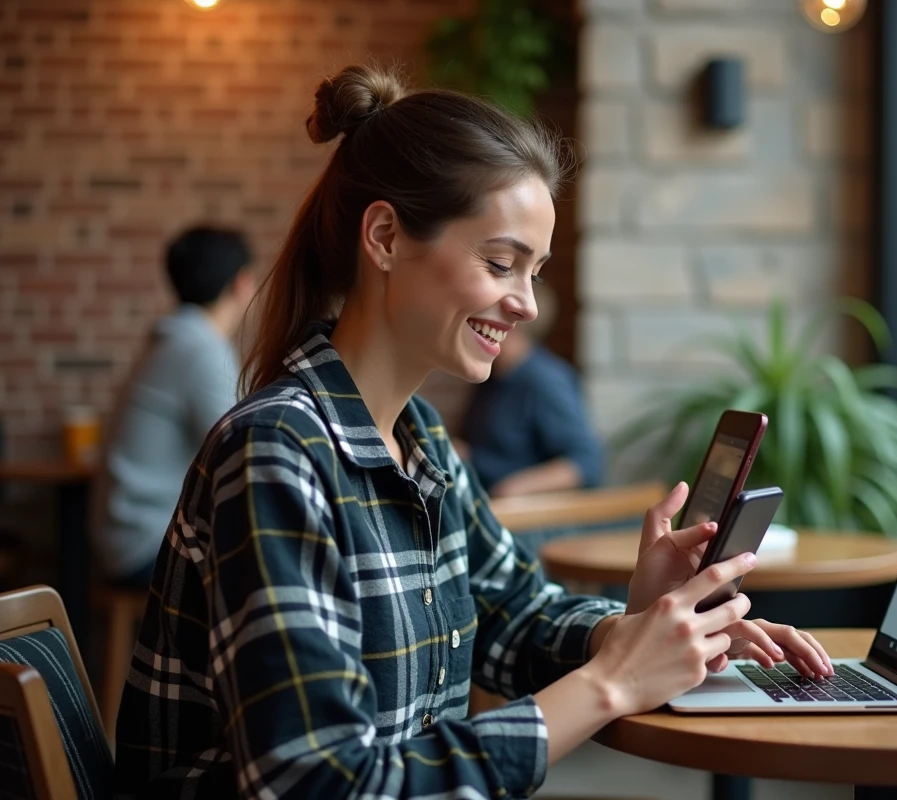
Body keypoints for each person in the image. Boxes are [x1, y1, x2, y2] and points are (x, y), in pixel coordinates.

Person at [111, 65, 833, 799]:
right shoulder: (277, 453)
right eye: (500, 264)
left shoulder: (418, 438)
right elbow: (316, 783)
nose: (524, 304)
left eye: (535, 273)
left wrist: (632, 630)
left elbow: (510, 609)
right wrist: (610, 685)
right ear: (386, 237)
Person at [90, 226, 255, 589]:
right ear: (242, 283)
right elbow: (240, 455)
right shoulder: (201, 350)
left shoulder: (172, 338)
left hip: (124, 532)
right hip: (146, 542)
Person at [458, 280, 603, 497]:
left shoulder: (545, 380)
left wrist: (513, 488)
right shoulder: (489, 375)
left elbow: (586, 463)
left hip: (522, 518)